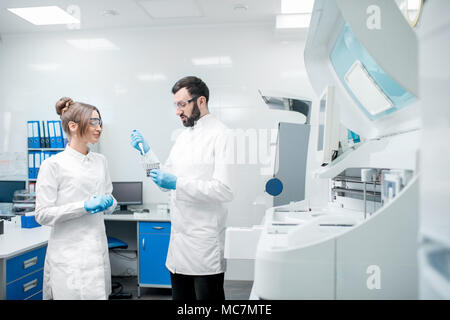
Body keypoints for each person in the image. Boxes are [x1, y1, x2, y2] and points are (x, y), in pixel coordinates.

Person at [130, 76, 234, 301]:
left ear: (201, 101)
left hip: (205, 246)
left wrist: (178, 184)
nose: (178, 111)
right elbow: (164, 180)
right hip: (179, 247)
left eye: (182, 104)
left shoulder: (221, 134)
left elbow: (224, 190)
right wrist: (145, 152)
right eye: (175, 105)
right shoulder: (183, 138)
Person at [35, 97, 116, 300]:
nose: (99, 128)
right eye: (93, 122)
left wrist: (110, 202)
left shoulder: (101, 161)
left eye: (100, 122)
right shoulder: (53, 165)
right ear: (73, 126)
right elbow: (42, 214)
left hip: (97, 253)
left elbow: (109, 196)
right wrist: (84, 206)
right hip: (69, 257)